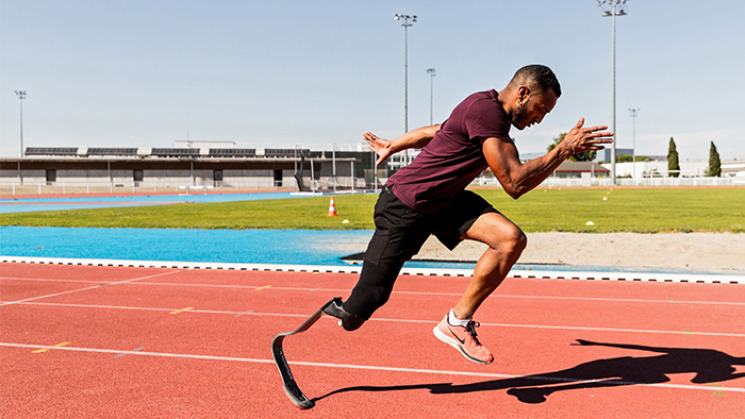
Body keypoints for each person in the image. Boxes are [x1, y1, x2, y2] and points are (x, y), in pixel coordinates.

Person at [323, 64, 613, 364]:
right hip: (406, 204)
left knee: (510, 240)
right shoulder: (486, 112)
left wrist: (394, 144)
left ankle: (456, 322)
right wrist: (563, 149)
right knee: (362, 308)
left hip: (445, 202)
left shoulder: (483, 110)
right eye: (540, 109)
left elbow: (438, 131)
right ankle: (326, 315)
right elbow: (514, 183)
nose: (539, 119)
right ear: (523, 93)